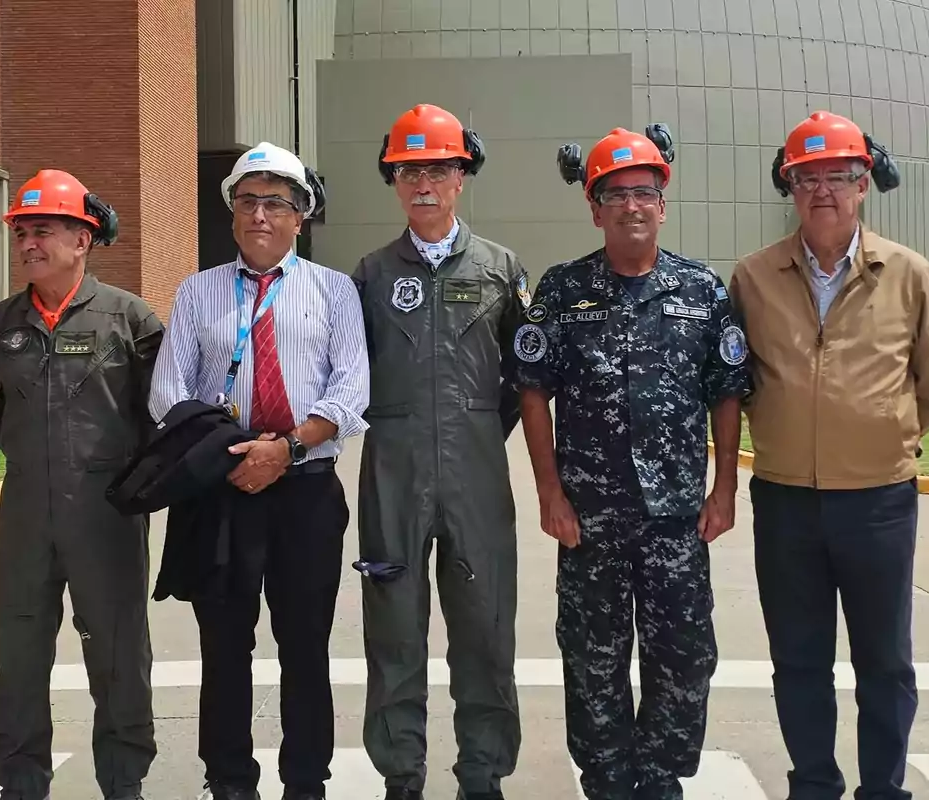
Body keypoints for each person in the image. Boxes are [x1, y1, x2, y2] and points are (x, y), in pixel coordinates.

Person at [514, 125, 750, 800]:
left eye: (643, 192)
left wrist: (725, 486)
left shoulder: (701, 290)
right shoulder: (563, 290)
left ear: (663, 203)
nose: (631, 206)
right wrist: (549, 493)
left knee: (683, 655)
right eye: (614, 195)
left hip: (676, 517)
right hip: (591, 521)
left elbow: (726, 392)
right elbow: (533, 391)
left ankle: (660, 778)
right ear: (595, 209)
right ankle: (608, 779)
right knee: (593, 659)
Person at [729, 111, 929, 800]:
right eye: (807, 179)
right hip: (786, 500)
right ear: (789, 188)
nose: (822, 191)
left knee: (885, 663)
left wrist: (890, 437)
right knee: (798, 661)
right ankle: (814, 786)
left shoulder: (909, 275)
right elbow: (733, 381)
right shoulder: (754, 279)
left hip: (879, 504)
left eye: (838, 177)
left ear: (864, 186)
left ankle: (884, 789)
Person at [148, 142, 369, 800]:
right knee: (223, 650)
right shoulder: (197, 291)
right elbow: (167, 392)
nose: (261, 215)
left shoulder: (334, 292)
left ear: (301, 216)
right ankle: (230, 781)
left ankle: (305, 781)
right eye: (248, 202)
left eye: (277, 203)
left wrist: (288, 449)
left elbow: (351, 387)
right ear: (232, 212)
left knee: (304, 648)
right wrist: (231, 453)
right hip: (222, 492)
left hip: (305, 492)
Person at [351, 103, 527, 800]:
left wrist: (476, 428)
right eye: (409, 170)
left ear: (463, 176)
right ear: (393, 181)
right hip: (391, 478)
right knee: (394, 632)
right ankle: (403, 775)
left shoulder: (500, 270)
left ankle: (482, 775)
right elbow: (346, 374)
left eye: (438, 169)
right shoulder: (365, 276)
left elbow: (528, 373)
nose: (423, 182)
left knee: (484, 633)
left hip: (476, 479)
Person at [0, 170, 164, 800]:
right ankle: (21, 784)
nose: (28, 242)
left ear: (82, 239)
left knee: (117, 654)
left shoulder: (128, 318)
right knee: (21, 655)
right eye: (21, 232)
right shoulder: (2, 322)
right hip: (26, 509)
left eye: (43, 230)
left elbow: (155, 410)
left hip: (106, 512)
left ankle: (123, 779)